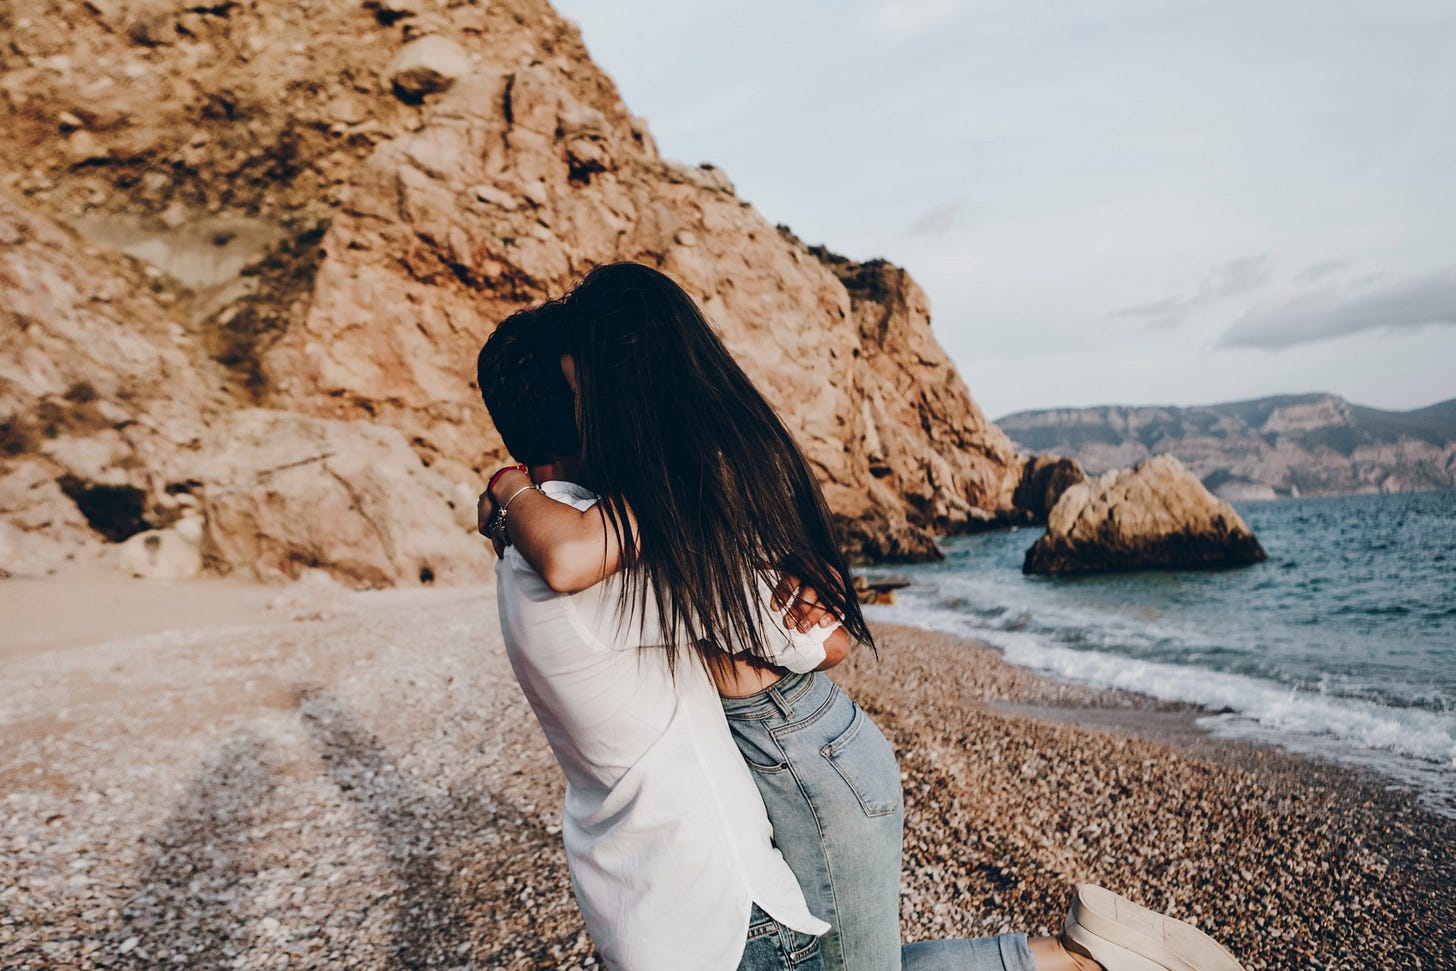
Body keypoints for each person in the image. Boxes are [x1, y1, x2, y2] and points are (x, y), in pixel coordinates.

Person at [475, 264, 1247, 971]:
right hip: (725, 866)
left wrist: (511, 491)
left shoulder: (534, 547)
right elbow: (823, 635)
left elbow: (815, 629)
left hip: (703, 873)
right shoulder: (590, 544)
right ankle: (1088, 960)